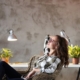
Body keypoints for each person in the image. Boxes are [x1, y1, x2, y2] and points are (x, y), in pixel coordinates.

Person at [0, 35, 69, 80]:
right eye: (49, 39)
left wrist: (35, 70)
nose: (49, 41)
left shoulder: (55, 59)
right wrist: (48, 38)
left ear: (58, 45)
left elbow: (51, 70)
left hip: (27, 79)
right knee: (2, 63)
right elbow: (46, 42)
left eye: (52, 40)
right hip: (23, 77)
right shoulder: (46, 55)